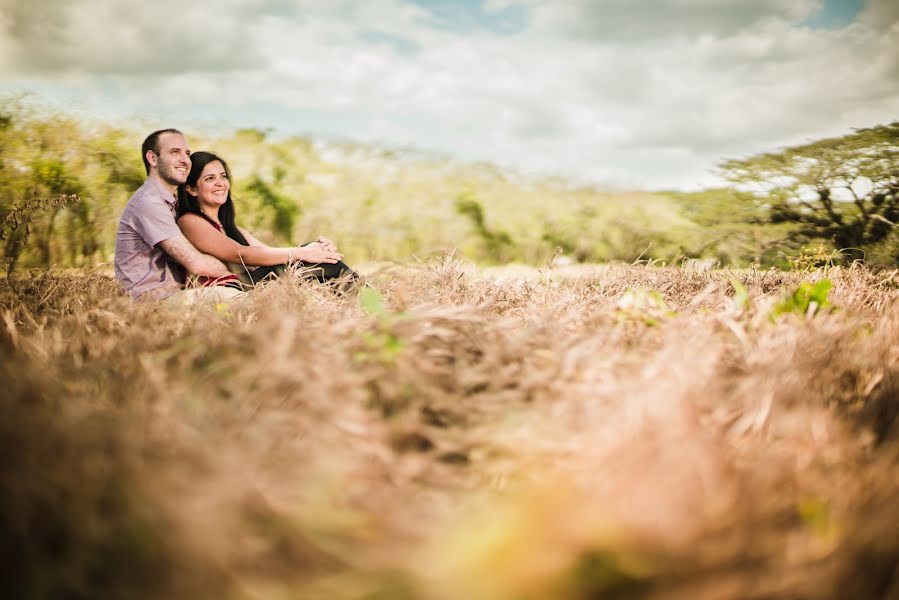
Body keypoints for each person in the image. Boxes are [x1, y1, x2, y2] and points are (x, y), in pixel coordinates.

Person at [175, 151, 356, 288]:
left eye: (223, 176)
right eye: (209, 178)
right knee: (313, 261)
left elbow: (269, 253)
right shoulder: (190, 221)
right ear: (191, 189)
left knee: (321, 260)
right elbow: (242, 255)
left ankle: (365, 311)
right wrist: (304, 253)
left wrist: (316, 247)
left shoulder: (232, 228)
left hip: (250, 285)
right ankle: (374, 306)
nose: (220, 183)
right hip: (229, 290)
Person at [114, 128, 241, 303]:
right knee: (229, 297)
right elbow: (197, 264)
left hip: (176, 295)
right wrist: (233, 278)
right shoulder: (149, 203)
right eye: (175, 152)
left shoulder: (172, 204)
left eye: (187, 153)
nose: (185, 160)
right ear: (152, 158)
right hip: (152, 303)